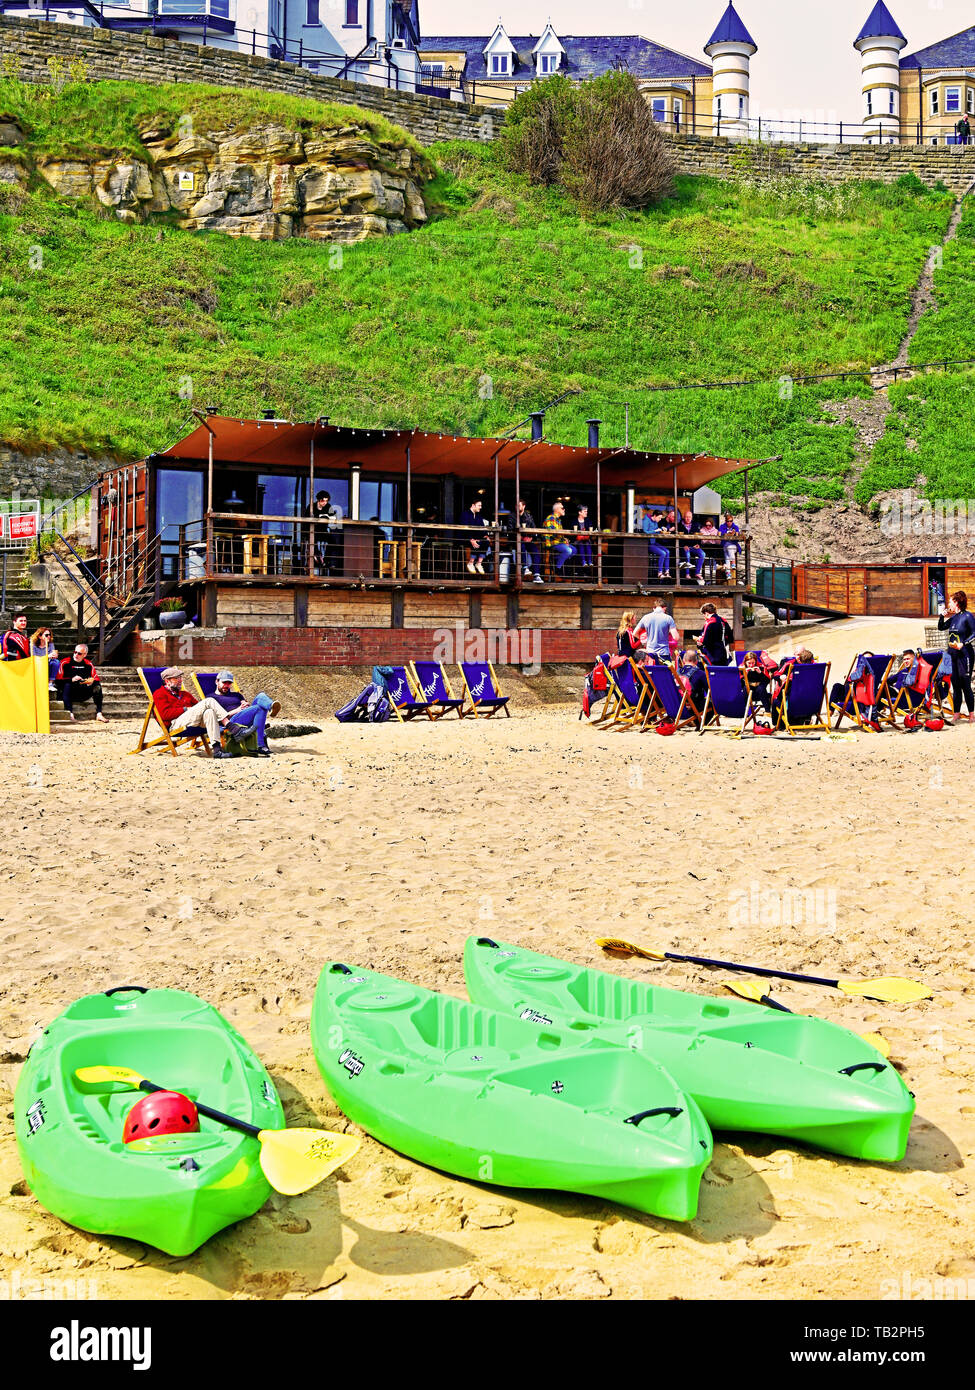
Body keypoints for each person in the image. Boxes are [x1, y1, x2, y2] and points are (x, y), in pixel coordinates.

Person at [151, 667, 232, 755]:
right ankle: (231, 727)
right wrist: (185, 709)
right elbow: (164, 715)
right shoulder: (159, 694)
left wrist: (191, 710)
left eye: (181, 678)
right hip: (174, 725)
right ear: (167, 681)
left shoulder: (185, 694)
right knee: (209, 700)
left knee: (209, 712)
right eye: (177, 678)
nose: (180, 680)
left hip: (191, 722)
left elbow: (200, 709)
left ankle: (217, 751)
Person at [209, 670, 281, 757]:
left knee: (260, 696)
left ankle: (271, 707)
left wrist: (246, 706)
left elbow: (244, 705)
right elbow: (217, 717)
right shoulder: (211, 698)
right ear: (217, 681)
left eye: (229, 683)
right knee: (259, 708)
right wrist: (238, 709)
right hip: (231, 721)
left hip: (243, 716)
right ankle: (260, 745)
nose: (227, 685)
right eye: (224, 682)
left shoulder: (237, 695)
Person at [938, 590, 975, 721]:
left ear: (957, 602)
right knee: (955, 685)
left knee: (965, 684)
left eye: (950, 601)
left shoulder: (967, 616)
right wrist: (942, 616)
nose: (948, 603)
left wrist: (963, 644)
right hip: (953, 655)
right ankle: (956, 714)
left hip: (965, 655)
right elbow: (941, 627)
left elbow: (974, 633)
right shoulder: (954, 618)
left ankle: (971, 714)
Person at [57, 643, 107, 722]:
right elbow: (58, 681)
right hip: (69, 693)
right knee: (67, 685)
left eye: (79, 653)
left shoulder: (88, 664)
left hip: (83, 692)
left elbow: (95, 679)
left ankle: (99, 713)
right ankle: (70, 714)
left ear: (85, 654)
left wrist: (90, 682)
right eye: (75, 652)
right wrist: (71, 679)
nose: (76, 655)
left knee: (97, 686)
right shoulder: (65, 662)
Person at [305, 490, 340, 575]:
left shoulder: (328, 506)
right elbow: (306, 519)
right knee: (313, 542)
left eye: (326, 500)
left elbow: (333, 518)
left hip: (323, 531)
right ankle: (317, 558)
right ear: (318, 500)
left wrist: (327, 517)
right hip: (313, 531)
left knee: (333, 541)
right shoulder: (311, 506)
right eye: (322, 500)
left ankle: (328, 561)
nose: (324, 503)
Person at [543, 500, 576, 575]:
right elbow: (554, 534)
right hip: (552, 543)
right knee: (568, 551)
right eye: (562, 508)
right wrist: (564, 540)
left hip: (559, 542)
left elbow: (559, 535)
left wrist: (565, 540)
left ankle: (556, 559)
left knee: (574, 550)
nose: (564, 509)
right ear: (557, 509)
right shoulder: (551, 518)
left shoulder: (558, 520)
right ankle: (558, 568)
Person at [514, 497, 543, 582]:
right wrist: (523, 538)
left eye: (519, 505)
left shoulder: (529, 516)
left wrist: (531, 538)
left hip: (528, 541)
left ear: (524, 506)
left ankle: (537, 575)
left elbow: (533, 529)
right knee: (521, 546)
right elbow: (510, 529)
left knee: (536, 550)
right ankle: (525, 568)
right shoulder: (512, 516)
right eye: (516, 506)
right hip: (516, 541)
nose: (517, 507)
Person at [460, 498, 489, 574]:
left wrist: (485, 535)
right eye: (479, 505)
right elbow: (464, 529)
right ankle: (470, 563)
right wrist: (471, 539)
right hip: (465, 538)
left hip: (476, 538)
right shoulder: (465, 514)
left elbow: (482, 527)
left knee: (486, 542)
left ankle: (479, 563)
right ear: (473, 505)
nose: (480, 507)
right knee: (477, 543)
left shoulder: (478, 516)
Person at [679, 510, 706, 585]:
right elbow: (678, 538)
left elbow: (698, 536)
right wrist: (683, 545)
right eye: (687, 517)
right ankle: (687, 574)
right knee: (687, 555)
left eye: (689, 517)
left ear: (692, 518)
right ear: (684, 517)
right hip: (685, 547)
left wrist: (698, 544)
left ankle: (697, 573)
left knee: (703, 554)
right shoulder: (679, 525)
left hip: (693, 546)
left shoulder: (695, 525)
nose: (688, 518)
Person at [643, 510, 671, 580]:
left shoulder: (655, 522)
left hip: (654, 542)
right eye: (659, 517)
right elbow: (645, 532)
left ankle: (667, 572)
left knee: (667, 551)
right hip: (648, 543)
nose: (660, 519)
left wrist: (662, 529)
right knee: (663, 553)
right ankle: (660, 573)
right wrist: (655, 531)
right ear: (654, 516)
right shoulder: (646, 520)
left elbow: (656, 531)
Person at [719, 513, 741, 582]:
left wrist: (734, 534)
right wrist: (726, 533)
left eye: (731, 521)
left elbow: (737, 535)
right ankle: (728, 574)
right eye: (728, 521)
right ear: (725, 521)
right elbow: (719, 534)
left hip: (733, 544)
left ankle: (733, 563)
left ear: (732, 521)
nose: (729, 522)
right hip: (725, 544)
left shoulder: (735, 527)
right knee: (727, 558)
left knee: (730, 548)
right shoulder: (722, 526)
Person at [574, 505, 594, 569]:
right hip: (578, 541)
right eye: (585, 511)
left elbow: (590, 530)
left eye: (587, 511)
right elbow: (573, 533)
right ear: (579, 512)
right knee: (581, 543)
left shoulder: (588, 520)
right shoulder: (574, 521)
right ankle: (583, 562)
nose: (586, 513)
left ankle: (590, 561)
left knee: (587, 543)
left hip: (586, 539)